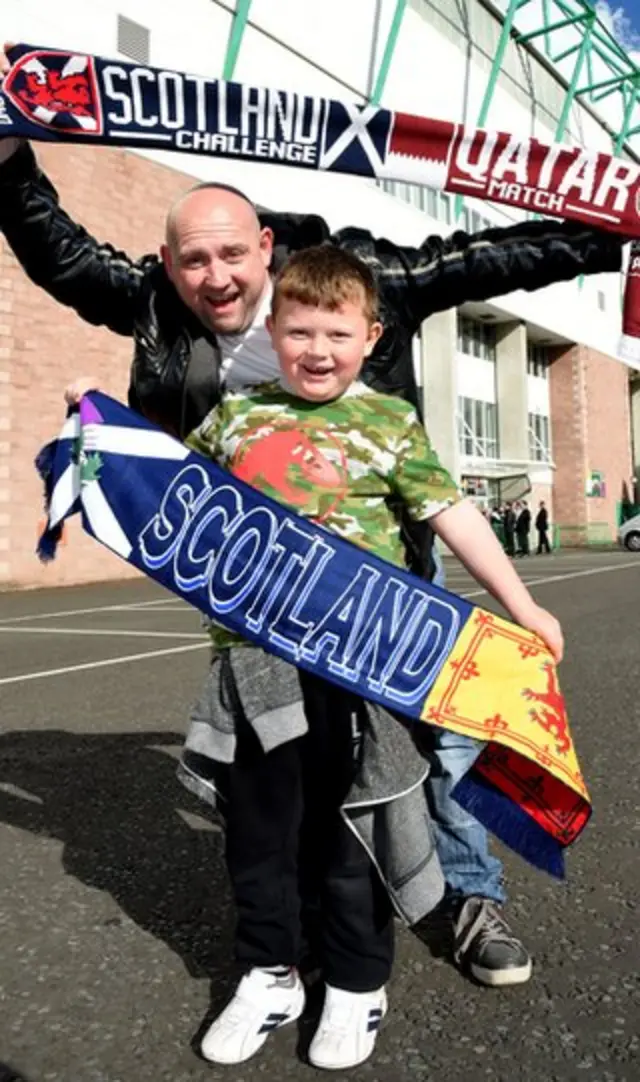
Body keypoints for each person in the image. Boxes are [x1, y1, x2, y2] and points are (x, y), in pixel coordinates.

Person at [0, 54, 623, 988]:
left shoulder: (352, 280)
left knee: (440, 732)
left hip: (377, 564)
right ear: (172, 265)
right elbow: (62, 254)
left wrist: (605, 236)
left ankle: (464, 897)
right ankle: (297, 926)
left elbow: (488, 258)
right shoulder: (158, 306)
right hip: (259, 582)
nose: (214, 277)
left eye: (231, 254)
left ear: (265, 244)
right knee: (284, 750)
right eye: (192, 260)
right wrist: (11, 156)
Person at [173, 245, 563, 1067]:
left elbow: (452, 513)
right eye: (300, 331)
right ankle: (270, 970)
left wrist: (520, 604)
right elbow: (165, 490)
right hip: (255, 666)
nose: (318, 350)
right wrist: (89, 424)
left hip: (362, 666)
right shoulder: (233, 419)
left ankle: (356, 981)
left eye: (337, 334)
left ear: (371, 336)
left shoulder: (388, 422)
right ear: (271, 332)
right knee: (261, 834)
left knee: (358, 827)